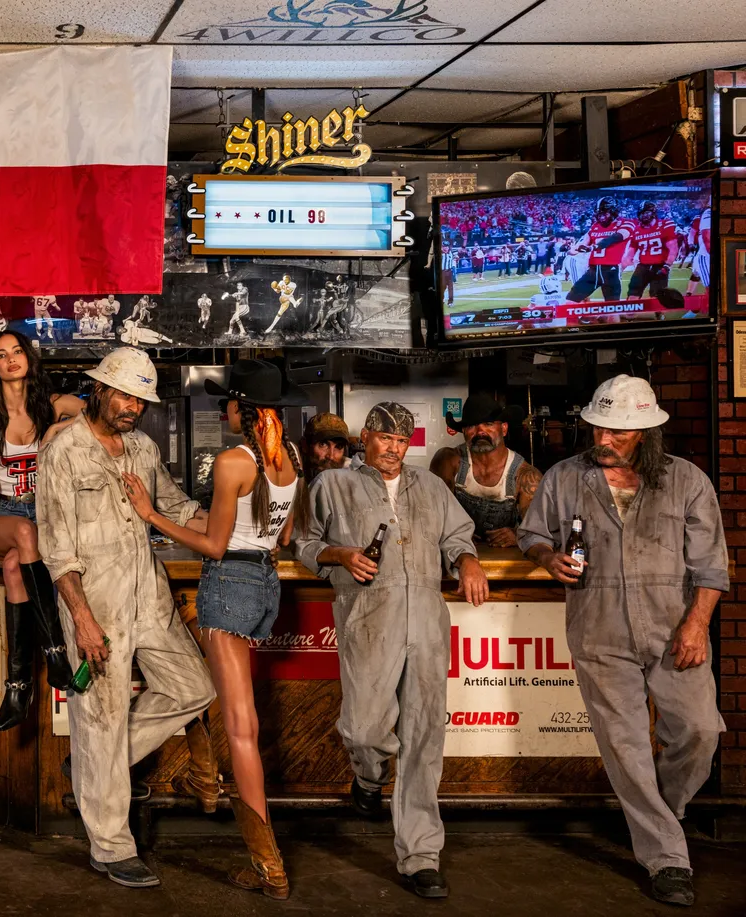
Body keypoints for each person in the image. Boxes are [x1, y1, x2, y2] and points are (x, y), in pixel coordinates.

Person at [518, 375, 727, 908]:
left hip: (674, 628)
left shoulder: (688, 482)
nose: (605, 439)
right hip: (599, 629)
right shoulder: (565, 478)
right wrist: (548, 558)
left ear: (646, 434)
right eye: (600, 427)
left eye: (619, 432)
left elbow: (711, 566)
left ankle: (662, 809)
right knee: (627, 750)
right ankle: (667, 858)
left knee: (700, 732)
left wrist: (697, 624)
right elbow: (533, 535)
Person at [122, 360, 306, 899]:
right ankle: (204, 779)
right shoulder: (288, 460)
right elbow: (280, 533)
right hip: (265, 588)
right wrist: (182, 515)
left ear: (240, 410)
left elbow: (216, 545)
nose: (221, 409)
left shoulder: (231, 461)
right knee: (190, 665)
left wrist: (149, 514)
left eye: (227, 402)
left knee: (242, 729)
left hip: (228, 587)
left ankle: (268, 865)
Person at [295, 402, 488, 900]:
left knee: (424, 736)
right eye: (385, 439)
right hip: (368, 618)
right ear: (367, 437)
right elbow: (305, 545)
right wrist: (339, 554)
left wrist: (466, 560)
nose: (394, 449)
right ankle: (368, 773)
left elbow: (457, 536)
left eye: (403, 441)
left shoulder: (430, 486)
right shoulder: (333, 484)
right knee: (363, 728)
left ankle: (420, 855)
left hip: (425, 619)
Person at [39, 346, 215, 889]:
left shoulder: (142, 447)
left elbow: (177, 506)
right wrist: (83, 620)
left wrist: (235, 520)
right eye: (123, 395)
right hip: (98, 608)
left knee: (193, 689)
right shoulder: (64, 452)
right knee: (102, 719)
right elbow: (56, 548)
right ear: (99, 389)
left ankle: (92, 769)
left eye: (140, 400)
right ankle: (111, 846)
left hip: (151, 600)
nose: (131, 408)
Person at [0, 330, 84, 730]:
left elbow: (97, 412)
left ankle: (17, 685)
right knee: (22, 539)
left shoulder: (51, 406)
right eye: (2, 355)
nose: (11, 359)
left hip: (47, 513)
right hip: (7, 515)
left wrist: (55, 431)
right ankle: (54, 649)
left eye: (18, 352)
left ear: (29, 361)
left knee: (17, 566)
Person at [431, 394, 541, 548]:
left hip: (506, 563)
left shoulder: (525, 475)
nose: (480, 431)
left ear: (503, 428)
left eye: (488, 424)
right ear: (463, 431)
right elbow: (432, 515)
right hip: (456, 555)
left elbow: (540, 530)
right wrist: (453, 531)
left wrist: (517, 534)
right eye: (471, 425)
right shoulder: (448, 461)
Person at [302, 412, 353, 481]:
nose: (331, 456)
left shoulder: (352, 475)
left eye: (339, 446)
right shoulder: (290, 478)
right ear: (305, 446)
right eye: (323, 444)